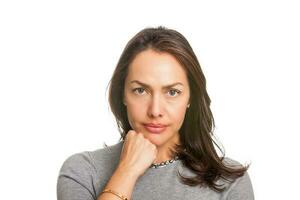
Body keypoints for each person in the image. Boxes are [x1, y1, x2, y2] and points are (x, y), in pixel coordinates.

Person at [57, 26, 254, 200]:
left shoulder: (229, 183)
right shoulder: (83, 172)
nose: (155, 110)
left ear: (190, 98)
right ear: (122, 94)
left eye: (172, 92)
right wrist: (127, 172)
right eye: (141, 90)